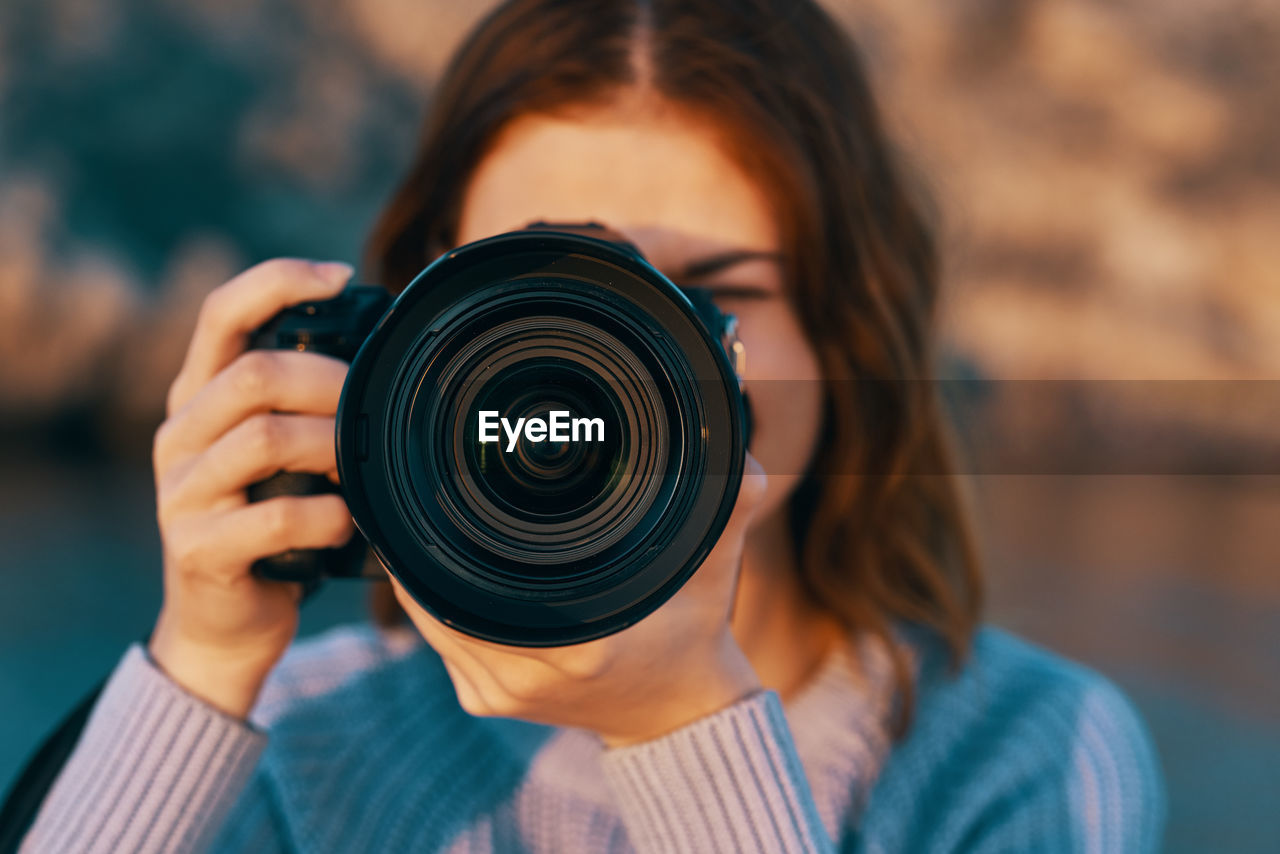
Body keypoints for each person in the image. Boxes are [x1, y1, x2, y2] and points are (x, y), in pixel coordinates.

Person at [18, 0, 1165, 851]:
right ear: (420, 332)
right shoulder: (300, 737)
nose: (628, 371)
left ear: (845, 336)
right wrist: (200, 669)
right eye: (551, 298)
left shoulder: (1031, 750)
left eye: (715, 294)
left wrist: (685, 726)